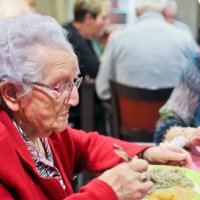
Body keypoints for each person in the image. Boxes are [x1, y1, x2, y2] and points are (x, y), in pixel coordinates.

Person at [0, 12, 191, 200]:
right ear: (12, 94)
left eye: (73, 83)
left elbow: (86, 145)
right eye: (59, 86)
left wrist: (145, 153)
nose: (74, 99)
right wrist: (106, 192)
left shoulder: (43, 131)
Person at [95, 0, 198, 101]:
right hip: (174, 116)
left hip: (130, 116)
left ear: (137, 11)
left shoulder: (117, 39)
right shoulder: (185, 38)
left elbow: (103, 90)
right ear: (165, 10)